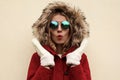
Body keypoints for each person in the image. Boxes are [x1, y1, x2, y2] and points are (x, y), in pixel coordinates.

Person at [27, 1, 91, 80]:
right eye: (53, 25)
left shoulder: (81, 57)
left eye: (65, 25)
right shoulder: (38, 57)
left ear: (72, 29)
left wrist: (75, 65)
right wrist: (44, 66)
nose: (59, 29)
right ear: (47, 29)